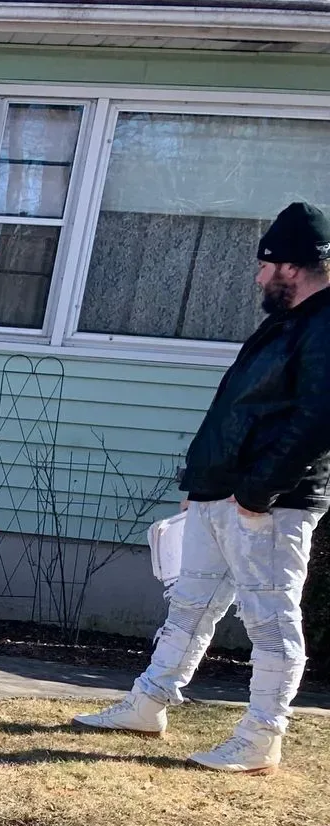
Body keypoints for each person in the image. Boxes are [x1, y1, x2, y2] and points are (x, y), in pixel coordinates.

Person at [75, 200, 330, 772]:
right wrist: (205, 482)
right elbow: (240, 410)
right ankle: (149, 703)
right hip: (224, 494)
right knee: (189, 604)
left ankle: (262, 736)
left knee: (271, 619)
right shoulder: (285, 324)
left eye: (266, 265)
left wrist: (257, 493)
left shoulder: (325, 324)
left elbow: (318, 418)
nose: (259, 275)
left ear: (290, 266)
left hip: (270, 505)